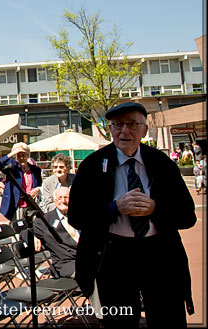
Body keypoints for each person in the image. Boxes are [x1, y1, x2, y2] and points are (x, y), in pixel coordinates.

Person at [68, 102, 196, 327]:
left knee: (169, 318)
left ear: (145, 130)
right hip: (114, 255)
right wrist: (114, 208)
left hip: (160, 253)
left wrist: (155, 209)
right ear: (110, 130)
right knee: (120, 321)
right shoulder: (92, 166)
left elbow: (187, 216)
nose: (124, 131)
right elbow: (77, 217)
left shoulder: (162, 164)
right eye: (118, 125)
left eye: (132, 124)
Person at [32, 186, 78, 278]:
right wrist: (34, 236)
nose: (63, 201)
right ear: (55, 201)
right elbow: (24, 233)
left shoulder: (79, 216)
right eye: (59, 198)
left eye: (66, 197)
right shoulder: (45, 219)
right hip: (66, 263)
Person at [0, 142, 42, 220]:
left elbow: (40, 184)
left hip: (32, 204)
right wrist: (12, 153)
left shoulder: (35, 170)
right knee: (19, 227)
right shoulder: (12, 167)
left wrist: (38, 189)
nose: (21, 158)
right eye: (18, 156)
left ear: (28, 155)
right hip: (17, 204)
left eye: (24, 155)